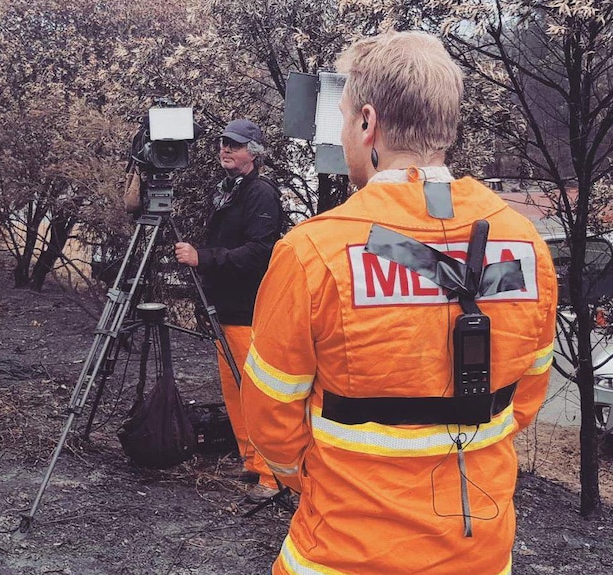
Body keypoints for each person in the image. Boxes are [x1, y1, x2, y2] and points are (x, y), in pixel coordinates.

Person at [240, 32, 557, 575]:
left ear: (368, 123)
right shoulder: (526, 243)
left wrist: (311, 477)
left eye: (343, 119)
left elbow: (270, 414)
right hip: (479, 552)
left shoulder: (314, 251)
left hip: (344, 553)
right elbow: (525, 398)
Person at [174, 119, 284, 502]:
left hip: (249, 310)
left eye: (234, 145)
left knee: (256, 393)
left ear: (253, 153)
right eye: (223, 143)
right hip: (226, 309)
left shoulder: (260, 193)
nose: (225, 149)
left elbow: (259, 252)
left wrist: (202, 258)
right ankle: (251, 463)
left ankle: (272, 476)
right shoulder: (226, 191)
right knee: (235, 392)